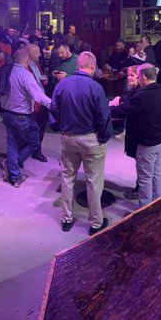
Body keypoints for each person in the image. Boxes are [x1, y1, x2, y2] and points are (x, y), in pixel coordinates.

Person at [50, 52, 111, 235]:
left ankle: (66, 219)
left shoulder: (62, 84)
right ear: (93, 66)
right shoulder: (96, 87)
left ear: (78, 66)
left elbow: (54, 110)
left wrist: (59, 128)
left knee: (67, 179)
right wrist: (104, 137)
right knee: (93, 182)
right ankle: (95, 223)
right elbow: (103, 116)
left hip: (68, 138)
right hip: (90, 139)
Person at [109, 64, 161, 207]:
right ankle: (157, 202)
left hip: (148, 143)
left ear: (143, 77)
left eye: (137, 76)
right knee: (157, 172)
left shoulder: (142, 96)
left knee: (145, 178)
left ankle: (145, 209)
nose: (136, 79)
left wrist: (107, 109)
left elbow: (122, 111)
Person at [1, 47, 52, 188]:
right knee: (34, 142)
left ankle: (15, 176)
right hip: (22, 116)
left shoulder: (7, 71)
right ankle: (13, 166)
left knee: (12, 144)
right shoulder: (26, 75)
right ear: (27, 60)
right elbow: (38, 96)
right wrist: (55, 105)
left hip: (7, 113)